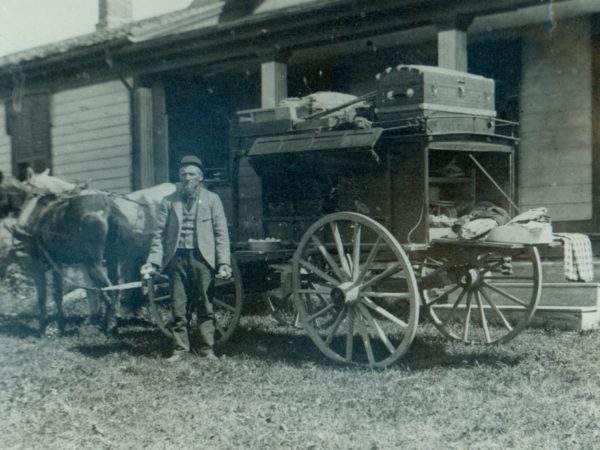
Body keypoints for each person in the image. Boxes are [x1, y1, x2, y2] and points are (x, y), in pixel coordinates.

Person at [141, 155, 232, 362]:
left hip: (202, 259)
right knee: (178, 307)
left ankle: (206, 349)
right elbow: (159, 235)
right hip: (177, 260)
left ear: (200, 178)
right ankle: (180, 349)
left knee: (206, 306)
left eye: (191, 174)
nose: (186, 178)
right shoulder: (169, 201)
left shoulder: (212, 200)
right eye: (183, 175)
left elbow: (221, 233)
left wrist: (223, 262)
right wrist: (153, 261)